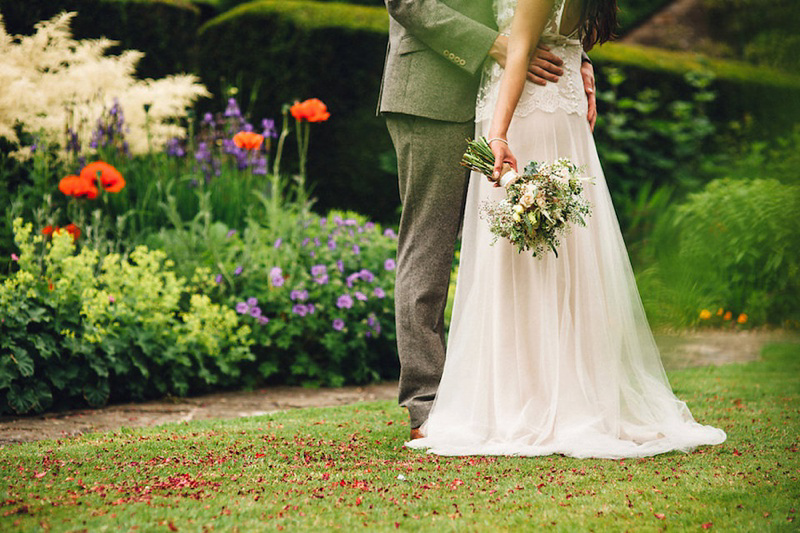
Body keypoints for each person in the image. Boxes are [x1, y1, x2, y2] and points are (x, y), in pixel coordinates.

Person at [406, 0, 727, 458]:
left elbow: (521, 51)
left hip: (524, 112)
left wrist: (497, 136)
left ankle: (530, 401)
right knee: (556, 257)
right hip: (553, 108)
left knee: (524, 260)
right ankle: (558, 392)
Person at [379, 0, 598, 441]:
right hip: (433, 94)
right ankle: (426, 404)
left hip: (506, 97)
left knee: (508, 249)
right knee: (429, 247)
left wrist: (581, 56)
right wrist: (492, 45)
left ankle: (499, 398)